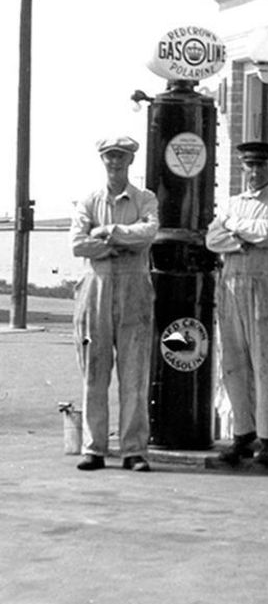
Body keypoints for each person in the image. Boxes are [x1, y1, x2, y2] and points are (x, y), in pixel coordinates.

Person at [71, 136, 159, 472]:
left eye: (121, 157)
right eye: (110, 157)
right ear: (102, 160)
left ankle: (134, 449)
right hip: (97, 286)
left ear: (130, 161)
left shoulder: (144, 198)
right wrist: (116, 245)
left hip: (134, 286)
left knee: (134, 372)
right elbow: (78, 243)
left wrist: (107, 231)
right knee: (94, 369)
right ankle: (94, 447)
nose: (115, 163)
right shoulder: (89, 199)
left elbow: (148, 232)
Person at [206, 140, 268, 466]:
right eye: (249, 166)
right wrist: (238, 237)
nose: (254, 172)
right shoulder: (229, 203)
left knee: (267, 362)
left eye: (260, 166)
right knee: (233, 363)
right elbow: (211, 239)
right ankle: (242, 433)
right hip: (230, 288)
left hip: (264, 289)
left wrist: (234, 230)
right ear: (242, 168)